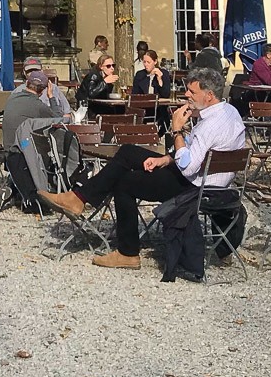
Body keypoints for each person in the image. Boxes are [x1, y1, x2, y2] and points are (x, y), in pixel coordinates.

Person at [39, 66, 246, 270]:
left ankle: (127, 253)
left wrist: (176, 131)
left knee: (125, 183)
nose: (186, 95)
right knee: (128, 152)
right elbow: (193, 153)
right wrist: (165, 159)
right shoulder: (230, 112)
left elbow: (188, 167)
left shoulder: (209, 125)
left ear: (209, 95)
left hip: (194, 188)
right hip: (217, 186)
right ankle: (79, 198)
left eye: (192, 92)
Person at [3, 70, 58, 150]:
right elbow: (59, 120)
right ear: (42, 91)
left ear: (27, 83)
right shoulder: (39, 106)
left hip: (8, 150)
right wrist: (51, 96)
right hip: (23, 149)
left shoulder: (12, 98)